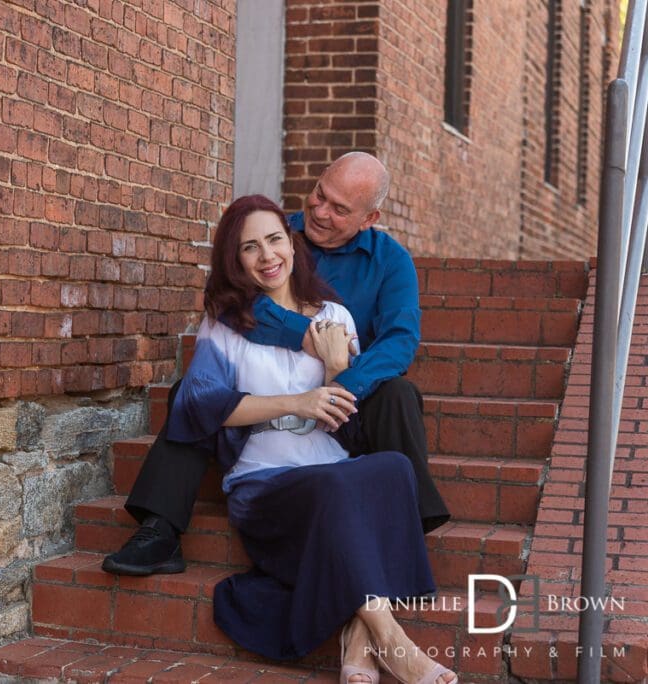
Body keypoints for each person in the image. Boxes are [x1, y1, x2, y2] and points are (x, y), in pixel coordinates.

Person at [102, 151, 448, 578]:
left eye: (340, 209)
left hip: (349, 397)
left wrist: (343, 385)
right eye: (320, 194)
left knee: (399, 393)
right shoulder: (275, 234)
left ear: (369, 217)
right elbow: (226, 298)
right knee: (191, 393)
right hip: (264, 386)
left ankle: (408, 520)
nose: (320, 212)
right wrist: (304, 335)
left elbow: (399, 341)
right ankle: (160, 528)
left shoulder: (390, 262)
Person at [161, 194, 456, 683]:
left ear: (294, 246)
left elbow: (351, 423)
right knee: (339, 490)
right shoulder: (226, 323)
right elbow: (197, 403)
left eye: (275, 240)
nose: (267, 256)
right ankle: (390, 639)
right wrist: (295, 402)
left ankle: (357, 642)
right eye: (249, 248)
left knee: (395, 469)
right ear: (235, 260)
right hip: (264, 479)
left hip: (329, 464)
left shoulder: (336, 317)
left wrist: (341, 370)